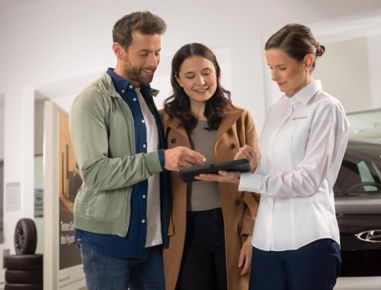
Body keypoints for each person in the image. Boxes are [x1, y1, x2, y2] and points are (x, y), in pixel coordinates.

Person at [197, 24, 350, 290]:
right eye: (270, 68)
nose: (274, 77)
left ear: (308, 61)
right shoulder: (276, 110)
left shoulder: (326, 109)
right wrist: (253, 164)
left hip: (309, 241)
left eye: (281, 68)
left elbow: (307, 180)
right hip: (266, 242)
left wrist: (244, 181)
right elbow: (273, 170)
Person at [69, 11, 205, 290]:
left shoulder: (146, 98)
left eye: (157, 53)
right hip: (107, 241)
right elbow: (95, 173)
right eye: (144, 53)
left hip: (152, 240)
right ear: (118, 50)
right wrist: (160, 159)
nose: (153, 62)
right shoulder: (91, 100)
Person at [159, 43, 259, 290]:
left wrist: (252, 236)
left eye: (206, 72)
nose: (201, 82)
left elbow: (256, 184)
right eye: (190, 76)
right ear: (178, 80)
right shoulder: (163, 121)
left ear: (216, 71)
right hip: (185, 231)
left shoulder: (241, 118)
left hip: (231, 227)